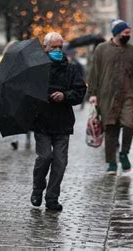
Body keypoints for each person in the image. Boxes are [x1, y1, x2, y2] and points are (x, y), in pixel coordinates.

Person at [31, 32, 86, 211]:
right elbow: (29, 93)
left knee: (60, 163)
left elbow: (79, 92)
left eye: (59, 47)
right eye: (53, 47)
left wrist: (65, 96)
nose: (56, 50)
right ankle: (38, 188)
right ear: (45, 48)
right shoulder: (37, 68)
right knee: (44, 157)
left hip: (63, 123)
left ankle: (52, 198)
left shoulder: (71, 69)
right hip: (42, 122)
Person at [88, 19, 133, 175]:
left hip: (128, 94)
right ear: (117, 33)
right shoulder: (101, 49)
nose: (128, 35)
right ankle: (111, 163)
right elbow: (94, 72)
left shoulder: (132, 51)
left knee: (128, 124)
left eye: (129, 33)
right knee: (110, 129)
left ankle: (124, 153)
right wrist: (93, 93)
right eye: (125, 33)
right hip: (107, 95)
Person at [1, 40, 32, 150]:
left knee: (26, 116)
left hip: (25, 91)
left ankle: (27, 138)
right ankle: (15, 139)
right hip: (12, 92)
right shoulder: (6, 62)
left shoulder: (26, 60)